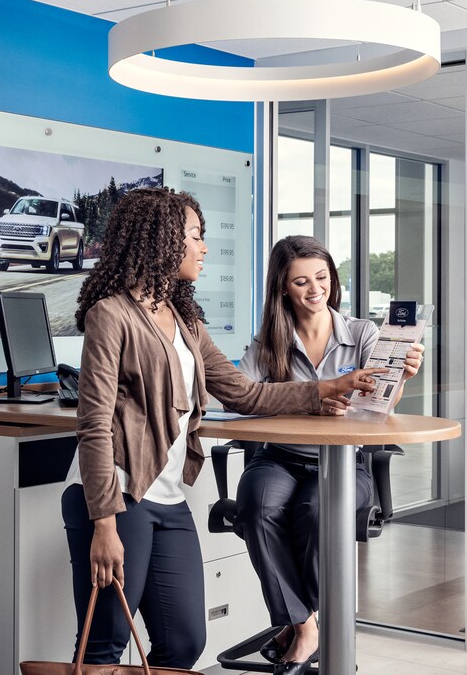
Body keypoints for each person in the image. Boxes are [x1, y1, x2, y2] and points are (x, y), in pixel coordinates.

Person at [62, 189, 386, 670]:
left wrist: (326, 388)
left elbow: (246, 394)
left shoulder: (186, 320)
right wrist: (104, 524)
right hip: (120, 496)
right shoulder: (110, 316)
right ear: (162, 241)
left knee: (185, 642)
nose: (204, 248)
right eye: (195, 236)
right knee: (105, 643)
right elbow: (93, 427)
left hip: (169, 500)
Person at [234, 235, 424, 675]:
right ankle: (304, 625)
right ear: (282, 287)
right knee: (256, 506)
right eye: (301, 281)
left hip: (341, 464)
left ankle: (300, 623)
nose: (315, 289)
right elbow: (240, 394)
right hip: (279, 458)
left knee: (317, 509)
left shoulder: (361, 333)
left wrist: (403, 379)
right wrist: (307, 399)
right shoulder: (271, 339)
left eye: (322, 277)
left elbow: (381, 406)